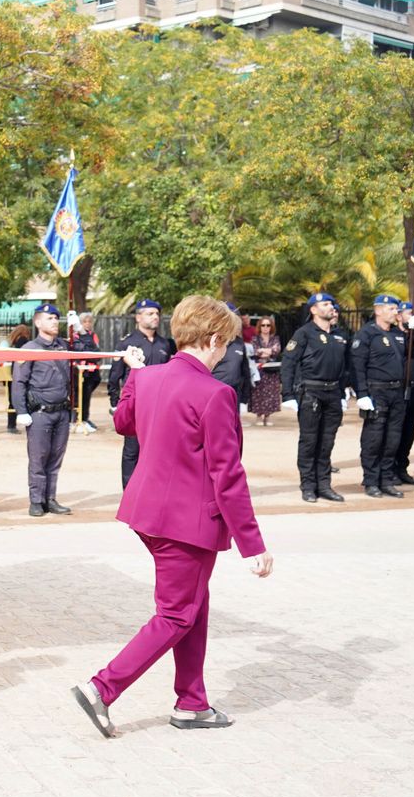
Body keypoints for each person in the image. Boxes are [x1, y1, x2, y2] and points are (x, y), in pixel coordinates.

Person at [73, 296, 273, 738]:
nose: (225, 353)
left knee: (191, 607)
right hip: (186, 522)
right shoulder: (216, 392)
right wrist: (252, 544)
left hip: (149, 512)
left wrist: (133, 376)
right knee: (178, 613)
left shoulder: (149, 379)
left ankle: (192, 701)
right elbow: (228, 473)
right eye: (226, 345)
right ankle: (102, 688)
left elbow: (124, 421)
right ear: (215, 339)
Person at [280, 292, 352, 503]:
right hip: (311, 392)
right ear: (313, 310)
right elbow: (288, 363)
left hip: (333, 393)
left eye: (331, 303)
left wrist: (344, 391)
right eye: (326, 304)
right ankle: (308, 486)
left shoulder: (340, 334)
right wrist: (288, 395)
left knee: (327, 442)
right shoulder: (304, 333)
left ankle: (324, 485)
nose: (331, 307)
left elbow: (346, 366)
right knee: (310, 441)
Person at [12, 304, 73, 517]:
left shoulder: (64, 346)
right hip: (39, 413)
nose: (55, 321)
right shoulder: (29, 348)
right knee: (38, 458)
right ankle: (36, 500)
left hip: (61, 412)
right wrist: (21, 410)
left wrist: (81, 331)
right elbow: (19, 381)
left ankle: (50, 498)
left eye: (57, 318)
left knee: (56, 458)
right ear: (38, 322)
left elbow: (88, 354)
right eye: (50, 318)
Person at [108, 299, 176, 488]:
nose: (155, 317)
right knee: (132, 451)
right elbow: (115, 376)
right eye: (150, 313)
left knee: (159, 450)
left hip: (162, 406)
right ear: (138, 317)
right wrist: (115, 403)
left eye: (157, 314)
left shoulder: (166, 343)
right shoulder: (127, 344)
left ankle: (154, 491)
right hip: (137, 406)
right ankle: (129, 493)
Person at [351, 295, 410, 498]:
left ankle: (386, 480)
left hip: (396, 392)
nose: (396, 312)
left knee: (393, 439)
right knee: (374, 438)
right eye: (392, 308)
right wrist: (362, 394)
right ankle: (370, 480)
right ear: (378, 310)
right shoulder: (366, 333)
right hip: (377, 391)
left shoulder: (398, 333)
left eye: (396, 309)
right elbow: (357, 366)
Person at [392, 301, 414, 486]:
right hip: (396, 390)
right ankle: (389, 468)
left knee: (409, 432)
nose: (413, 316)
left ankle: (401, 467)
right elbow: (404, 352)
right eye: (408, 313)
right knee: (394, 431)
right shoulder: (394, 335)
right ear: (398, 315)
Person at [69, 311, 103, 433]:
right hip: (77, 371)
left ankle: (84, 418)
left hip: (91, 372)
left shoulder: (93, 336)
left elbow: (96, 353)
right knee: (75, 397)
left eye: (89, 322)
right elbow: (79, 352)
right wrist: (88, 354)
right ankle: (73, 419)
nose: (87, 324)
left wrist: (89, 354)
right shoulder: (74, 336)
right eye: (84, 322)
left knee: (86, 396)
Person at [249, 317, 284, 425]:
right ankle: (259, 416)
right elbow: (254, 351)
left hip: (272, 370)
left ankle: (267, 416)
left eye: (268, 325)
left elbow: (276, 350)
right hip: (259, 370)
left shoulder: (275, 338)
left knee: (271, 392)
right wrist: (267, 351)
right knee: (258, 392)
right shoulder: (255, 339)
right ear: (260, 326)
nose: (265, 327)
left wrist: (263, 351)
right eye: (263, 325)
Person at [3, 324, 32, 433]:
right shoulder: (23, 341)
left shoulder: (12, 342)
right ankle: (13, 424)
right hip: (20, 374)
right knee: (19, 399)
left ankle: (11, 424)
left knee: (11, 399)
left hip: (12, 373)